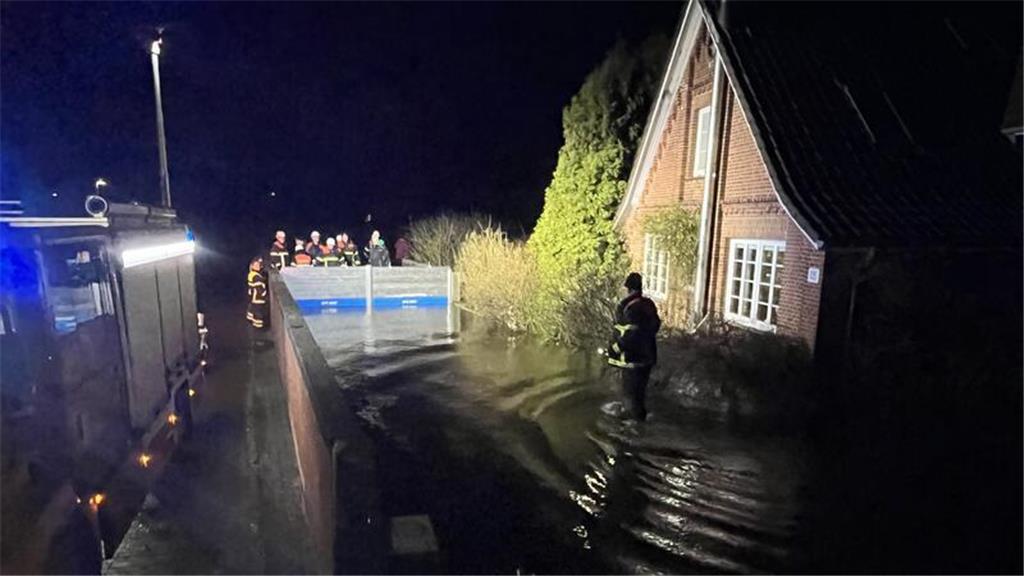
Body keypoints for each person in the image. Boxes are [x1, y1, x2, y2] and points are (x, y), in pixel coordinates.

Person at [606, 272, 661, 421]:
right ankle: (641, 419)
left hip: (631, 359)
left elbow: (628, 335)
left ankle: (631, 427)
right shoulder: (649, 304)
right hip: (648, 358)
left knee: (630, 393)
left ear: (628, 288)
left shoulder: (626, 307)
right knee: (640, 394)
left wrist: (613, 350)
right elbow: (654, 327)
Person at [246, 257, 268, 330]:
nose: (258, 266)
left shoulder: (252, 274)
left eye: (259, 265)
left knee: (254, 311)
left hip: (253, 297)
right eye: (256, 265)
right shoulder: (256, 276)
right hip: (258, 298)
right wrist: (264, 295)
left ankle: (254, 325)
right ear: (252, 266)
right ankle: (259, 328)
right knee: (258, 314)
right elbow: (260, 288)